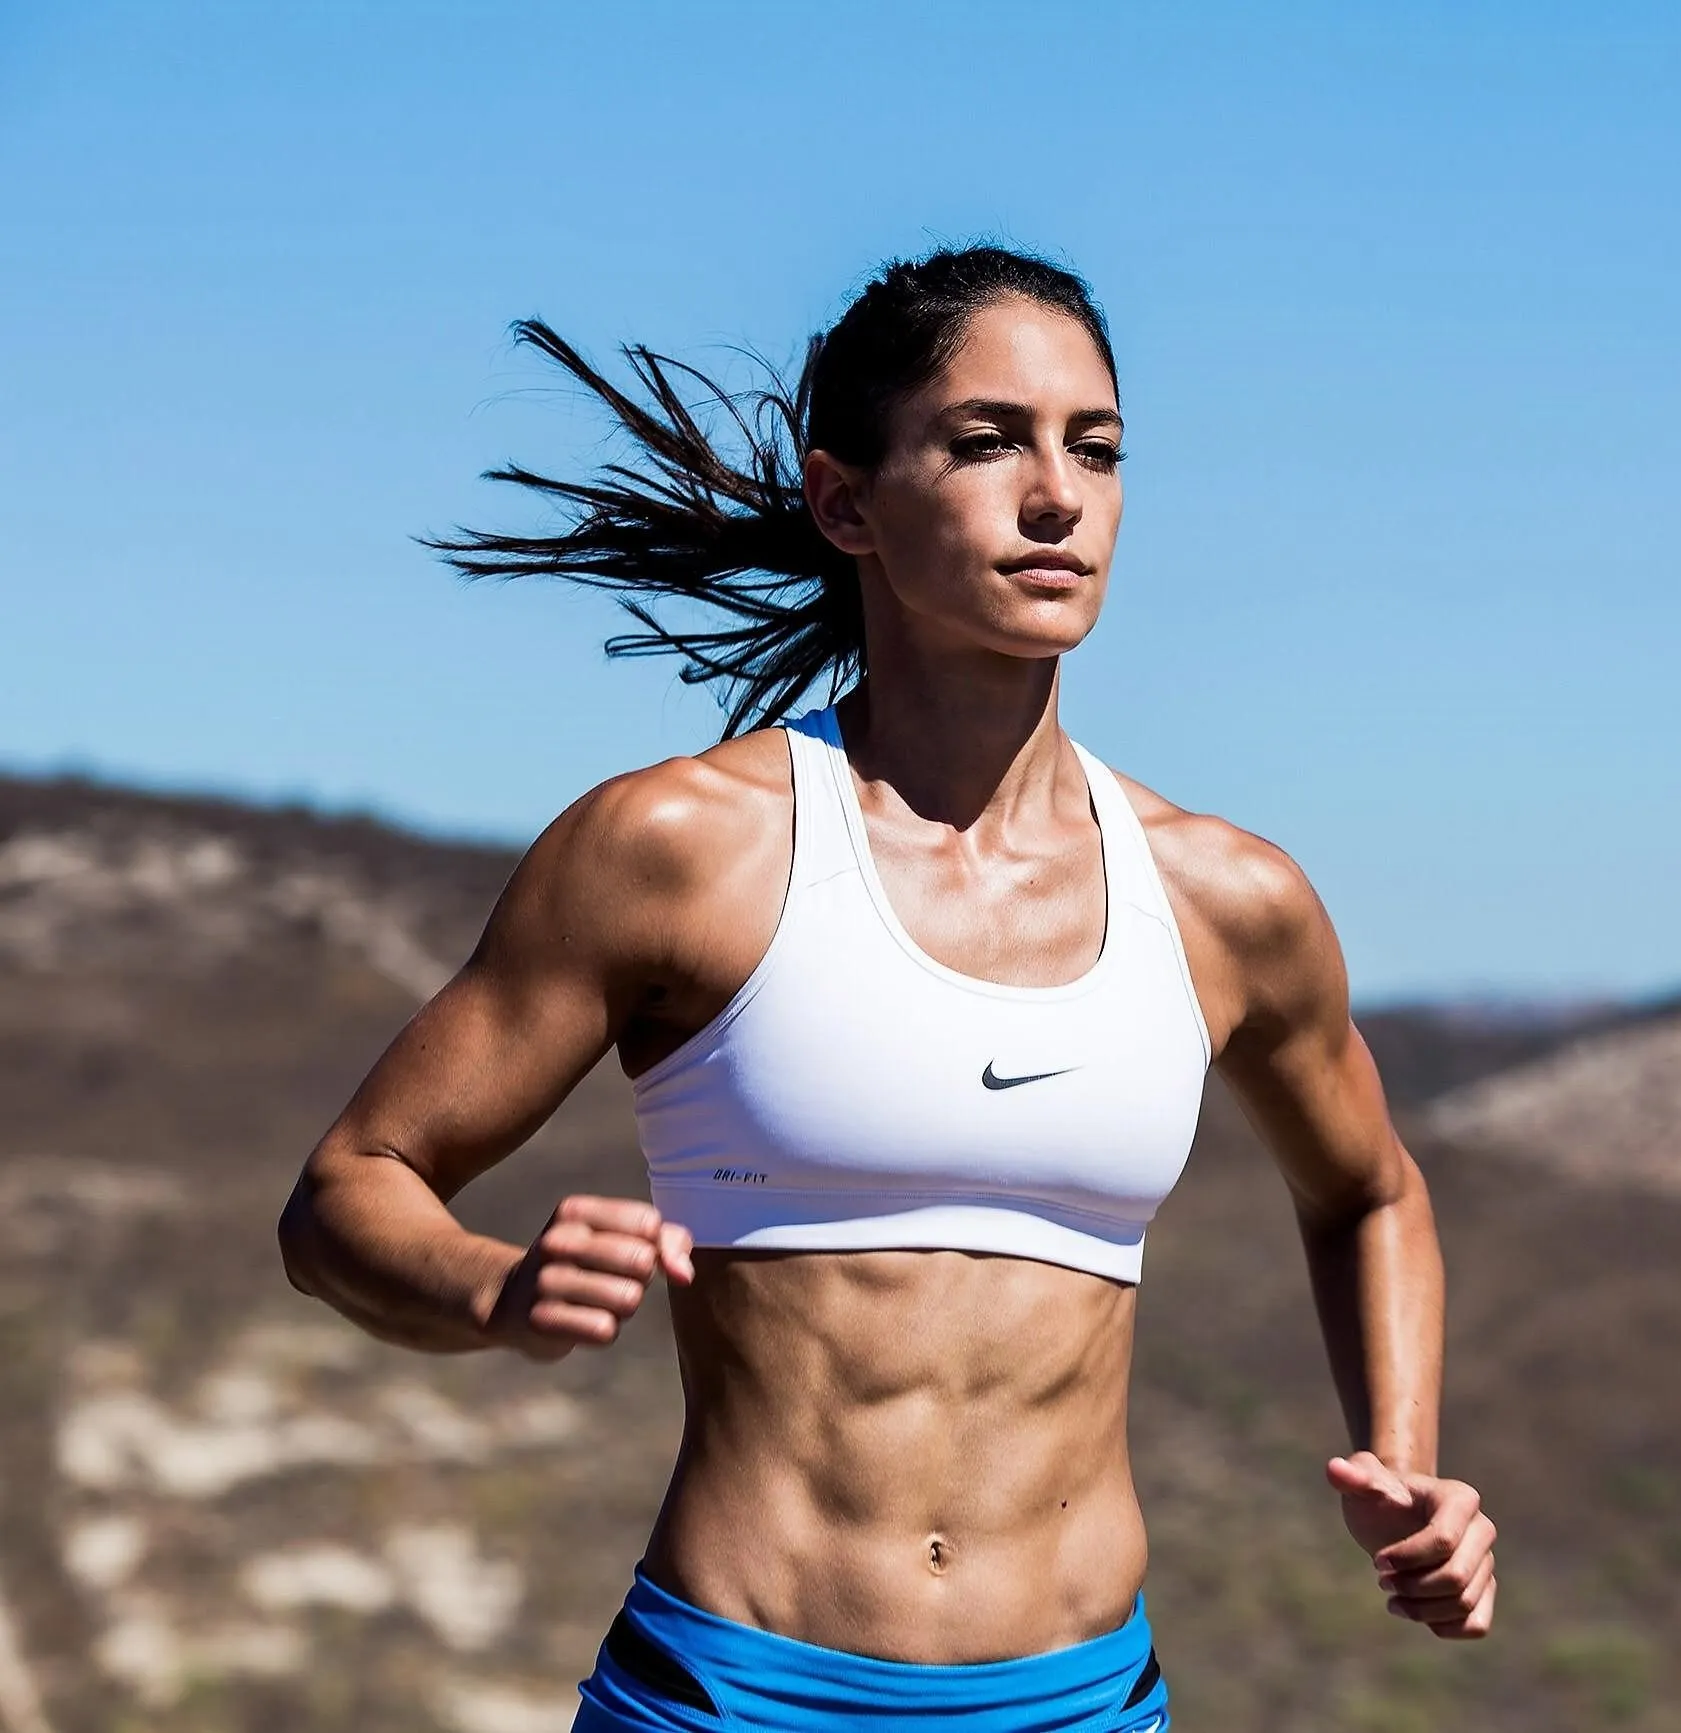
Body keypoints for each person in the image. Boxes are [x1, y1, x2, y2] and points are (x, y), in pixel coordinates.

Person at [275, 245, 1497, 1733]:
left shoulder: (1224, 900)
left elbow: (1371, 1189)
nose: (1058, 496)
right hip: (735, 1691)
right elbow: (348, 1189)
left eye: (1096, 451)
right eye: (989, 440)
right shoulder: (681, 851)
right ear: (846, 499)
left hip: (1083, 1701)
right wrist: (496, 1285)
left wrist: (1411, 1463)